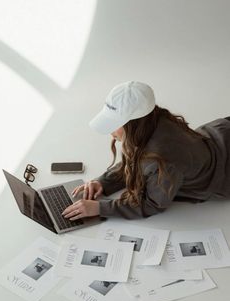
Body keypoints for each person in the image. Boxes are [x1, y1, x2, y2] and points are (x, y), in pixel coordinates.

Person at [62, 81, 230, 221]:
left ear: (134, 123)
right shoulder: (152, 119)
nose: (110, 131)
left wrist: (101, 208)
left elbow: (153, 203)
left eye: (115, 123)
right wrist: (103, 182)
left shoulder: (162, 159)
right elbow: (138, 161)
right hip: (221, 133)